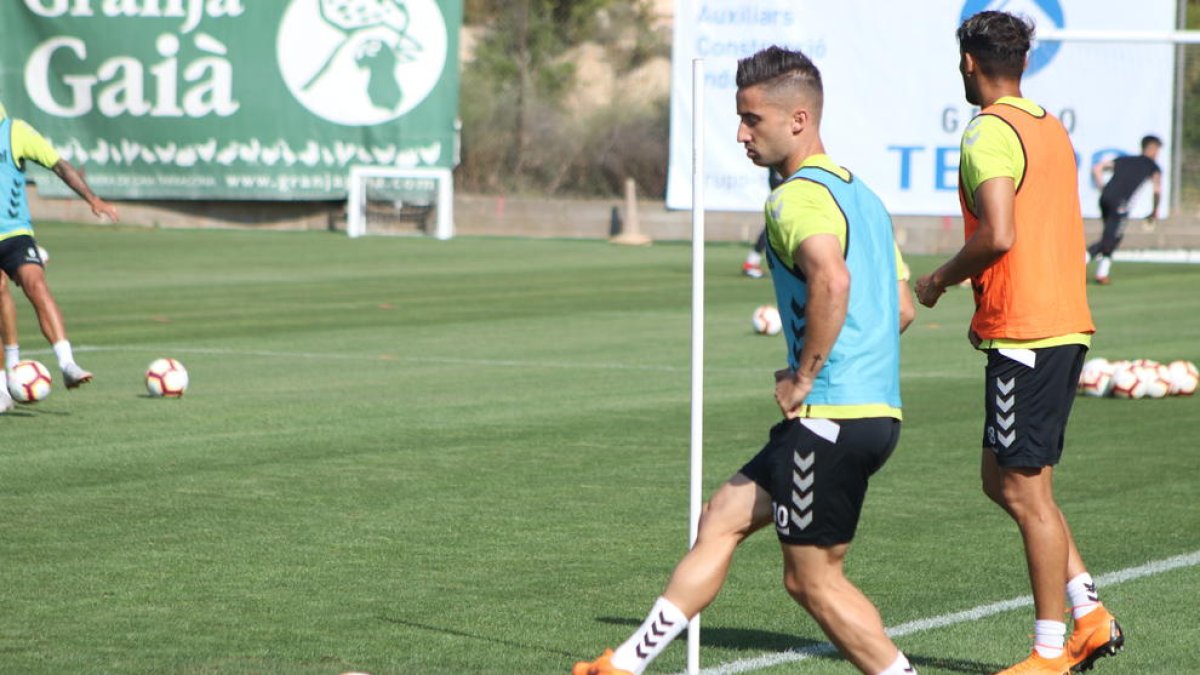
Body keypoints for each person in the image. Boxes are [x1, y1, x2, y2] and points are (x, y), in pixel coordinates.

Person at [574, 46, 918, 675]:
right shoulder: (862, 195)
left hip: (829, 416)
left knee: (812, 581)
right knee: (723, 515)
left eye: (752, 119)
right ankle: (623, 664)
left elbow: (832, 283)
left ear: (798, 119)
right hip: (869, 413)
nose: (740, 133)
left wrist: (807, 374)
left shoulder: (795, 200)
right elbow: (900, 308)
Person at [914, 11, 1123, 674]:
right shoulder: (1047, 125)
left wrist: (940, 279)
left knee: (1025, 491)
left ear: (970, 63)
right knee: (1002, 481)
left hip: (1028, 331)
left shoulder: (988, 132)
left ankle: (1048, 653)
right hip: (1061, 321)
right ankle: (1088, 613)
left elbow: (999, 233)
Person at [0, 102, 118, 411]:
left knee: (36, 285)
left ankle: (67, 364)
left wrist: (92, 199)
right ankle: (2, 383)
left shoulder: (15, 132)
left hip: (14, 233)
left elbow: (60, 165)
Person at [1086, 135, 1163, 284]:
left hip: (1105, 199)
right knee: (1110, 238)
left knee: (1113, 236)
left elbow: (1097, 168)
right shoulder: (1152, 166)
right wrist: (1155, 210)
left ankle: (1102, 273)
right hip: (1121, 204)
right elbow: (1157, 190)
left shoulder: (1125, 160)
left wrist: (1102, 187)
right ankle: (1077, 265)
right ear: (1152, 148)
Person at [740, 168, 784, 278]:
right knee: (773, 228)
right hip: (782, 185)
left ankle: (751, 263)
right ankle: (750, 264)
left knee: (774, 228)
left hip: (782, 182)